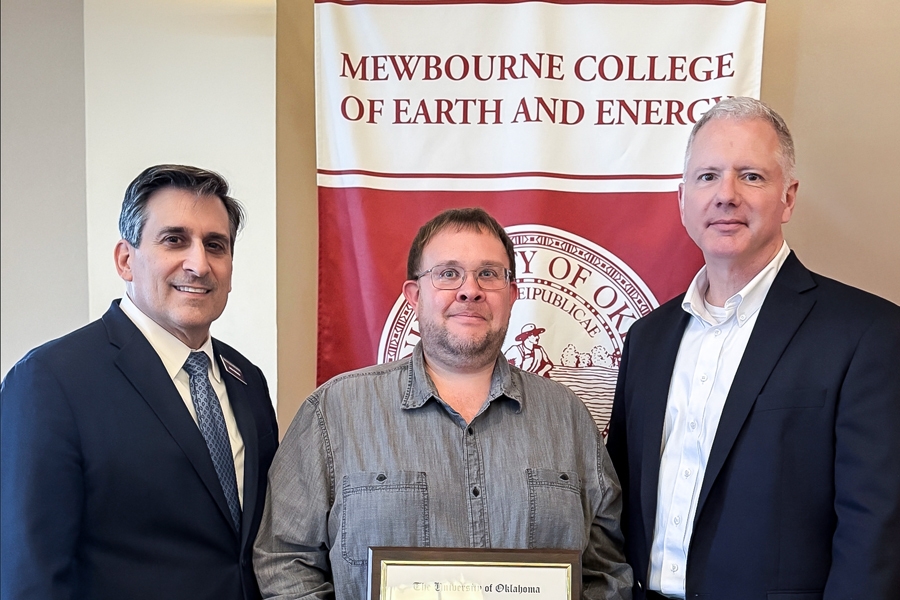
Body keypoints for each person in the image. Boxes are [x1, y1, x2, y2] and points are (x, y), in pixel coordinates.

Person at [254, 208, 633, 600]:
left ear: (512, 294)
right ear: (414, 296)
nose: (470, 290)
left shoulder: (568, 417)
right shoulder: (333, 413)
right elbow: (285, 559)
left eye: (489, 273)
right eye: (448, 274)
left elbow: (605, 568)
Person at [606, 97, 900, 599]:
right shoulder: (647, 340)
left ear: (788, 197)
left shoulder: (867, 333)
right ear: (682, 200)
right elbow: (619, 507)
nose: (726, 195)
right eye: (707, 177)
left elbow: (875, 530)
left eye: (751, 176)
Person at [1, 164, 279, 600]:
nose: (198, 264)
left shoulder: (248, 382)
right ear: (126, 260)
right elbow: (31, 575)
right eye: (174, 240)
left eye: (215, 245)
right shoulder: (51, 380)